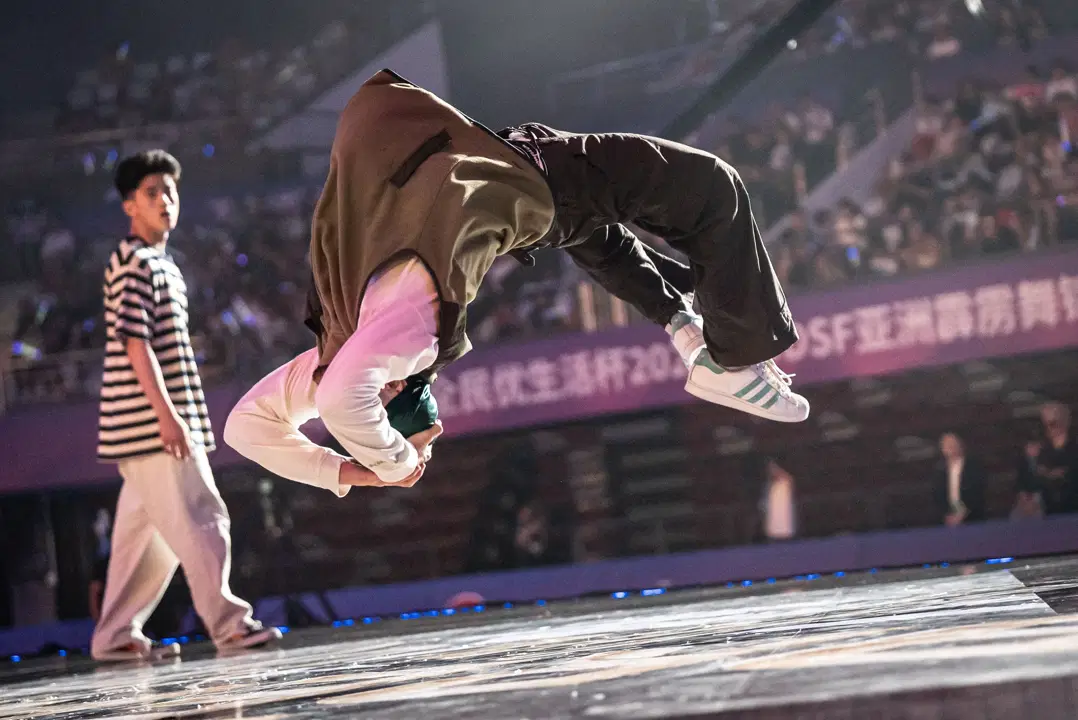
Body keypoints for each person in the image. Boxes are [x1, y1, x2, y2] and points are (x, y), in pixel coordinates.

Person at [224, 69, 808, 495]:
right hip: (515, 183)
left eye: (425, 432)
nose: (435, 422)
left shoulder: (383, 349)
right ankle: (725, 355)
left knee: (625, 226)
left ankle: (697, 340)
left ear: (390, 396)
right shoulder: (354, 346)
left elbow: (284, 416)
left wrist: (386, 467)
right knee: (706, 191)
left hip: (511, 174)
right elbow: (266, 420)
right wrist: (354, 468)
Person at [92, 151, 280, 661]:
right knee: (202, 518)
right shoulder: (135, 262)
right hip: (151, 424)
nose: (165, 201)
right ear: (130, 205)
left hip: (148, 425)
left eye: (170, 191)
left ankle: (114, 636)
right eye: (151, 193)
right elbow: (135, 343)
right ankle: (230, 624)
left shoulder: (162, 264)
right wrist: (167, 415)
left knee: (145, 542)